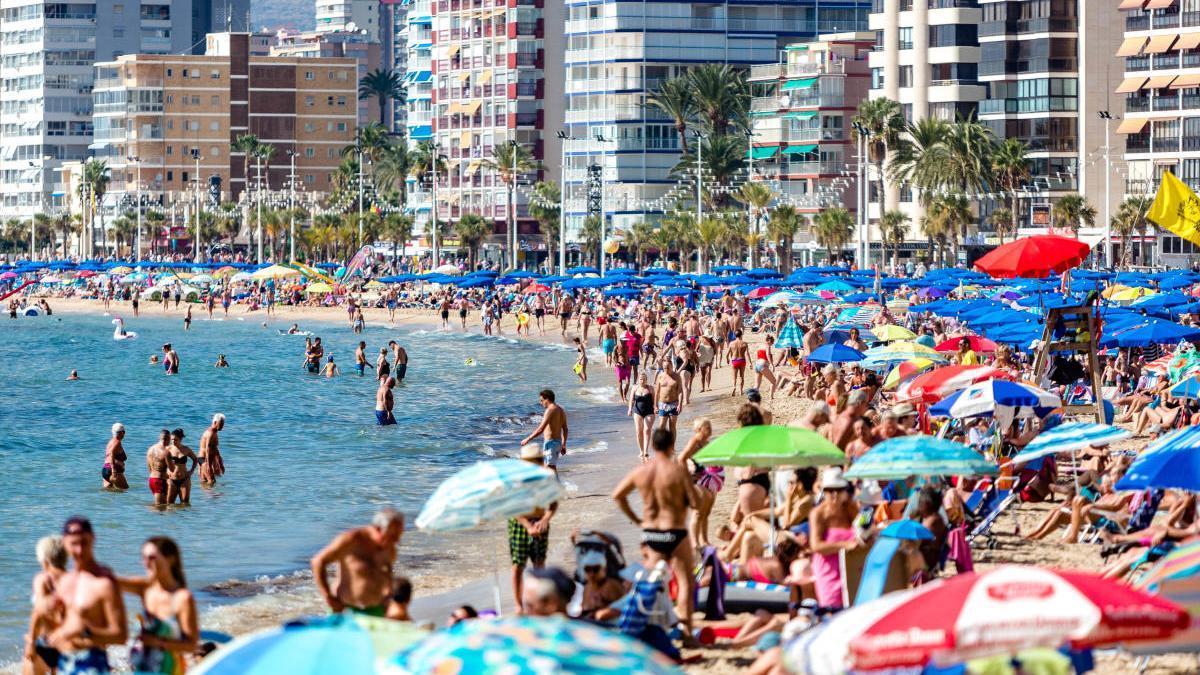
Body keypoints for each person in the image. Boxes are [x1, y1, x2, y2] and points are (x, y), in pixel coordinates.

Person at [612, 428, 700, 633]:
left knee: (649, 583)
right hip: (675, 531)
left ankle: (643, 628)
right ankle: (687, 634)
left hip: (651, 533)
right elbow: (695, 503)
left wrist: (637, 519)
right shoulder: (678, 470)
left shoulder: (641, 471)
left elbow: (617, 495)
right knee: (685, 582)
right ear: (671, 446)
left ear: (652, 446)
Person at [44, 517, 128, 674]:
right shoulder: (64, 582)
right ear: (64, 544)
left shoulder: (104, 583)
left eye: (84, 543)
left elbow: (121, 635)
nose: (79, 551)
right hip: (64, 663)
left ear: (93, 539)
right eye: (74, 544)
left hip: (92, 663)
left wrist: (84, 632)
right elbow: (60, 628)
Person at [119, 537, 199, 675]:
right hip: (142, 667)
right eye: (144, 558)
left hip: (168, 668)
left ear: (171, 559)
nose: (146, 563)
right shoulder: (144, 588)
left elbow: (191, 645)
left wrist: (158, 642)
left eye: (152, 558)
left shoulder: (182, 598)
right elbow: (111, 581)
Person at [311, 509, 405, 616]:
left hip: (377, 608)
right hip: (346, 608)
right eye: (393, 535)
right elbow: (318, 561)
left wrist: (389, 597)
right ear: (378, 528)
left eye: (399, 535)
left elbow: (387, 572)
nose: (396, 540)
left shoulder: (390, 547)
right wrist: (327, 596)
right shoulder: (351, 540)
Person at [509, 444, 558, 614]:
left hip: (540, 520)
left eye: (535, 461)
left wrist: (545, 519)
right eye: (528, 462)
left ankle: (538, 601)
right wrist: (528, 525)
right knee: (518, 565)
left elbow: (553, 503)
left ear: (540, 461)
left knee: (539, 564)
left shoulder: (548, 477)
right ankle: (518, 605)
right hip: (519, 522)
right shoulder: (518, 480)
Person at [808, 469, 860, 609]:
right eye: (830, 491)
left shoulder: (851, 509)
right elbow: (816, 545)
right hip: (828, 570)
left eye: (839, 490)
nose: (835, 495)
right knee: (831, 610)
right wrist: (844, 545)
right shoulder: (818, 514)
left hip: (850, 568)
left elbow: (862, 531)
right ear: (824, 492)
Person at [23, 536, 68, 675]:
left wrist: (31, 641)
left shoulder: (42, 579)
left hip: (43, 644)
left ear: (45, 559)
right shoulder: (73, 579)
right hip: (67, 644)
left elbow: (39, 610)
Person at [520, 389, 568, 474]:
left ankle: (556, 486)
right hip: (558, 443)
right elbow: (565, 428)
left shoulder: (550, 410)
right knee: (551, 468)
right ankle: (556, 485)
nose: (540, 403)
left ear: (547, 399)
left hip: (551, 443)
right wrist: (563, 444)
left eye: (541, 400)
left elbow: (541, 429)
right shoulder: (561, 410)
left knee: (549, 469)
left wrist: (528, 439)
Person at [166, 429, 199, 505]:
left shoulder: (186, 449)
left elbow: (195, 459)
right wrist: (166, 471)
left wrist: (191, 471)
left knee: (185, 504)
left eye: (175, 439)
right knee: (169, 504)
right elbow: (162, 462)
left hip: (185, 479)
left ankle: (183, 517)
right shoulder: (168, 449)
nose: (173, 441)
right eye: (172, 439)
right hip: (172, 479)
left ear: (181, 439)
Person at [654, 358, 683, 438]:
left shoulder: (677, 377)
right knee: (661, 426)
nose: (665, 369)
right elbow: (657, 392)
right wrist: (655, 406)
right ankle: (662, 447)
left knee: (672, 426)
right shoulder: (660, 376)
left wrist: (680, 404)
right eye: (664, 367)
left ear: (671, 366)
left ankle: (672, 448)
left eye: (667, 367)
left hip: (674, 403)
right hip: (662, 404)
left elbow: (680, 391)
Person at [197, 414, 225, 486]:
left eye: (223, 424)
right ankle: (213, 496)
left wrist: (220, 462)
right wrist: (209, 466)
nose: (222, 426)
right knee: (211, 482)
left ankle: (205, 497)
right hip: (204, 460)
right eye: (221, 424)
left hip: (203, 460)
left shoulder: (214, 432)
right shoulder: (211, 433)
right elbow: (208, 449)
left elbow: (215, 448)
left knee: (205, 483)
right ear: (215, 422)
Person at [146, 431, 170, 506]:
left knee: (162, 506)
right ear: (168, 439)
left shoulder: (150, 449)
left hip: (152, 479)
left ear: (159, 437)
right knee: (159, 507)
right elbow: (171, 469)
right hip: (159, 480)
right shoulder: (165, 451)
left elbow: (149, 466)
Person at [102, 424, 128, 491]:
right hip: (114, 471)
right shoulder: (117, 442)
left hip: (105, 469)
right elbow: (111, 454)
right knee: (125, 490)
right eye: (124, 432)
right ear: (121, 433)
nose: (124, 434)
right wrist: (113, 469)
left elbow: (107, 456)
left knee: (109, 492)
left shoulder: (110, 442)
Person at [728, 330, 749, 396]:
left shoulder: (731, 343)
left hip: (734, 361)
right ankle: (741, 391)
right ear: (741, 335)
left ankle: (734, 387)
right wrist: (750, 363)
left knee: (734, 377)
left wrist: (727, 359)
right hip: (742, 360)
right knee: (741, 376)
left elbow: (727, 354)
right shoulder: (745, 343)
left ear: (735, 335)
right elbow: (747, 354)